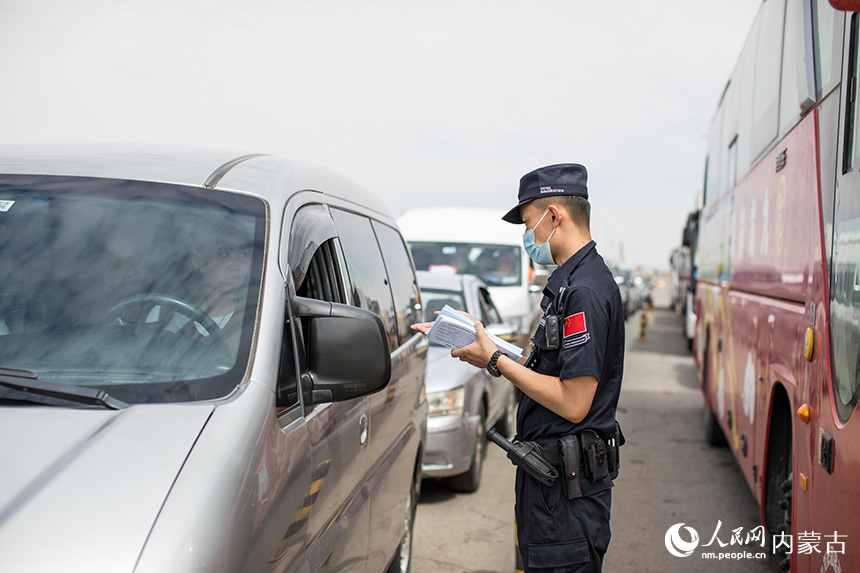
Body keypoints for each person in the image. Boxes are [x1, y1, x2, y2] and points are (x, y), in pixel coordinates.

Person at [412, 163, 624, 572]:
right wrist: (490, 353)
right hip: (553, 485)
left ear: (554, 216)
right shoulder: (570, 283)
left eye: (528, 224)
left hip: (566, 498)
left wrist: (494, 360)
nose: (528, 237)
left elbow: (575, 402)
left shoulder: (584, 292)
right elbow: (550, 372)